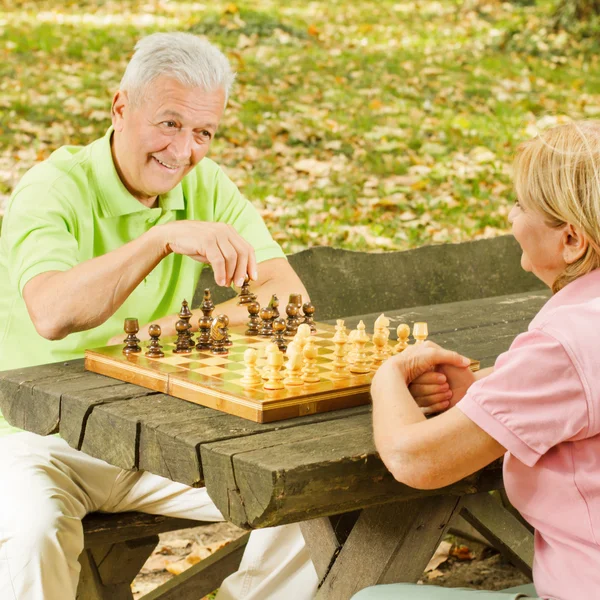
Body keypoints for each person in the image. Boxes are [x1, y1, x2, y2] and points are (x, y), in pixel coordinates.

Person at [0, 32, 317, 599]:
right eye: (169, 124)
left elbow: (287, 298)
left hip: (158, 433)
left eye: (203, 133)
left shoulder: (206, 183)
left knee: (311, 498)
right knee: (33, 532)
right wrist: (164, 238)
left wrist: (160, 335)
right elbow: (51, 313)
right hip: (35, 437)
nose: (184, 151)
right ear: (121, 106)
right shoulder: (54, 187)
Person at [353, 121, 600, 600]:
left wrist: (388, 375)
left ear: (571, 240)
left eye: (520, 204)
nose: (511, 217)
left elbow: (414, 459)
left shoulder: (569, 340)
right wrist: (484, 393)